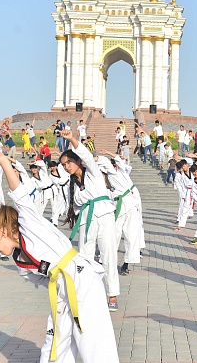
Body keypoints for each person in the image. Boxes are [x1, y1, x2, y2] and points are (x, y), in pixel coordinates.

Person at [0, 148, 119, 362]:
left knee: (94, 344)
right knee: (54, 346)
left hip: (82, 280)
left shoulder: (29, 225)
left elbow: (18, 194)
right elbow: (43, 278)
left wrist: (4, 163)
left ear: (4, 231)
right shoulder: (19, 262)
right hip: (61, 289)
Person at [59, 129, 120, 311]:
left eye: (69, 162)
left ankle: (112, 295)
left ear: (78, 161)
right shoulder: (71, 185)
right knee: (84, 258)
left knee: (108, 255)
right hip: (86, 221)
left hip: (104, 216)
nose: (67, 166)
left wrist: (72, 139)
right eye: (64, 165)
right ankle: (85, 292)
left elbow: (85, 152)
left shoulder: (92, 172)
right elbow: (75, 207)